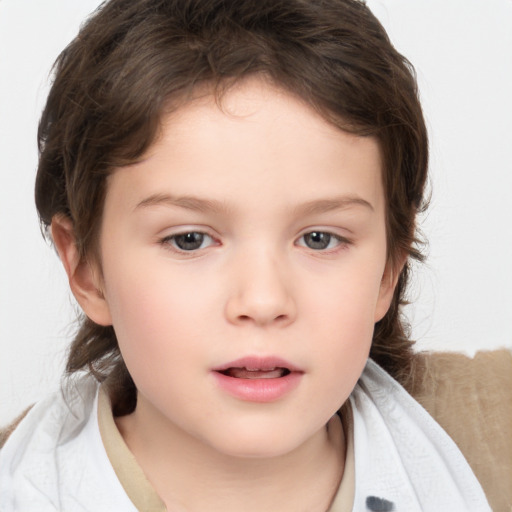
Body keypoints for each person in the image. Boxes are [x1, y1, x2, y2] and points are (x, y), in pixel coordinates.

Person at [0, 0, 491, 510]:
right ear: (86, 271)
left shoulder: (491, 445)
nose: (262, 301)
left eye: (319, 238)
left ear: (390, 267)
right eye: (189, 239)